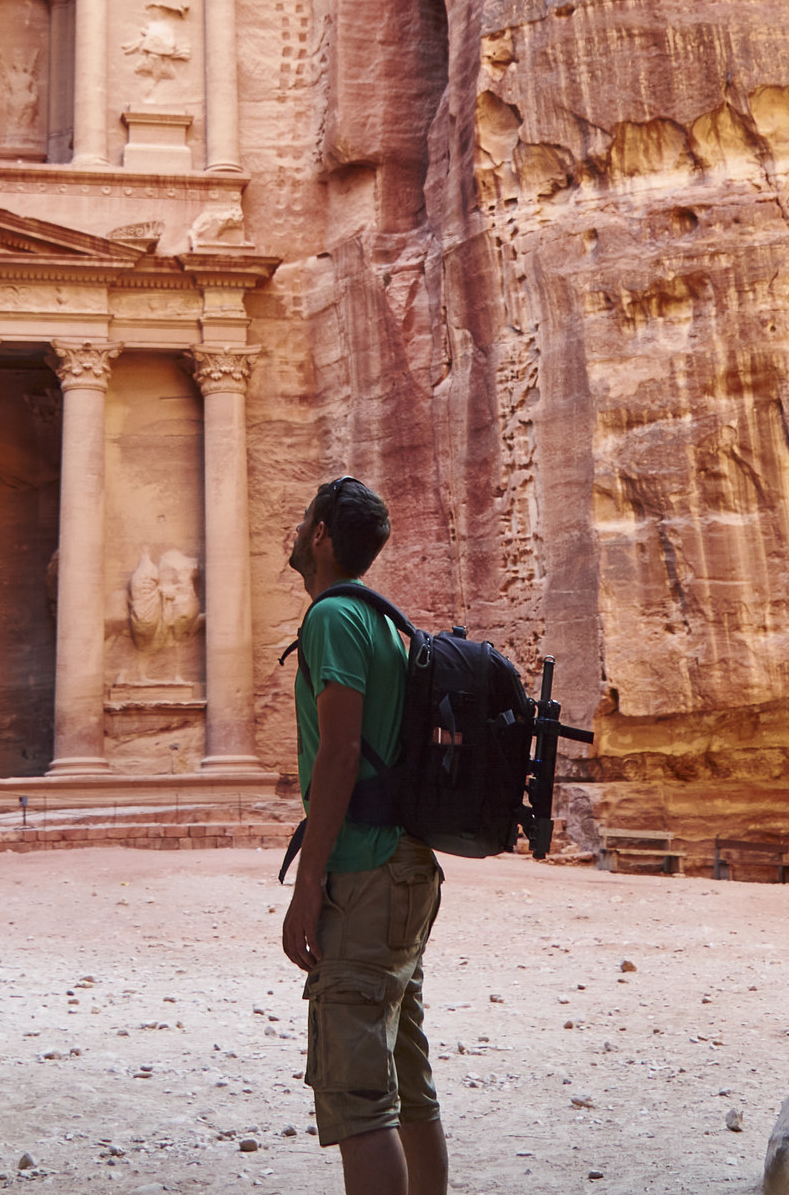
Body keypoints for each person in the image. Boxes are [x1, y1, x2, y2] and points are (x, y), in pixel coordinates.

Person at [283, 476, 448, 1195]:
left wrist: (308, 878)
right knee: (408, 1080)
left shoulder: (331, 618)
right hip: (408, 865)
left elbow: (341, 751)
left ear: (321, 534)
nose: (295, 531)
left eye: (303, 520)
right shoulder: (387, 620)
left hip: (366, 869)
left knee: (359, 1099)